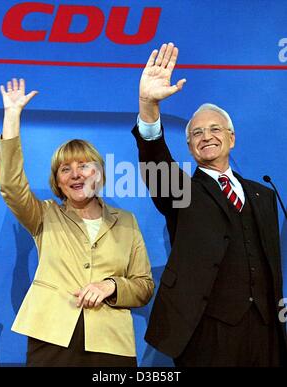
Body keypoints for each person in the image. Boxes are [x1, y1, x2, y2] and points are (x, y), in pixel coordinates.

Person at [132, 42, 287, 367]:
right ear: (189, 147)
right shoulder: (183, 190)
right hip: (206, 332)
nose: (206, 136)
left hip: (264, 332)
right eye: (197, 133)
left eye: (215, 129)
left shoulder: (264, 194)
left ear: (231, 138)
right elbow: (155, 163)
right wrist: (148, 107)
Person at [0, 78, 154, 367]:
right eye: (65, 169)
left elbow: (144, 286)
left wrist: (112, 286)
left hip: (111, 344)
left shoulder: (127, 222)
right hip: (52, 339)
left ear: (100, 172)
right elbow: (11, 185)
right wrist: (11, 119)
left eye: (84, 165)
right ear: (58, 182)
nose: (75, 174)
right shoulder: (43, 215)